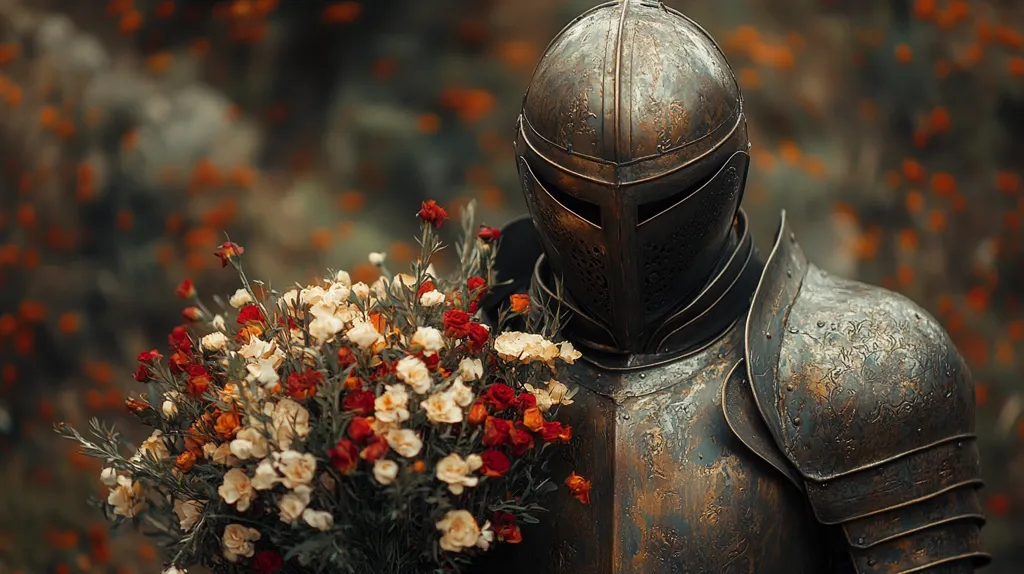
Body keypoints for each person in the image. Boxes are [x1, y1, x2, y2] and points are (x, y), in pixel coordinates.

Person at [478, 1, 990, 571]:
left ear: (730, 175)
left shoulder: (868, 364)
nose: (619, 236)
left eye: (663, 200)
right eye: (579, 201)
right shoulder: (460, 362)